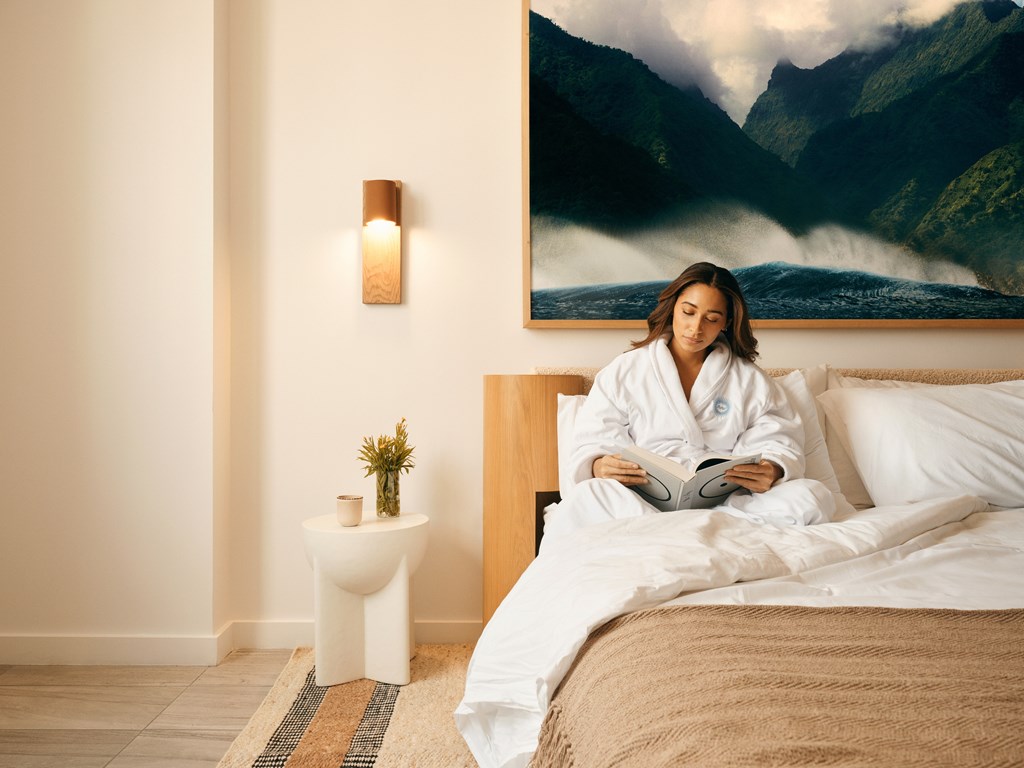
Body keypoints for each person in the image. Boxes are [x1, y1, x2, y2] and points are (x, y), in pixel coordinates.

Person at [545, 261, 826, 538]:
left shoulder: (750, 380)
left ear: (727, 323)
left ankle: (681, 534)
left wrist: (772, 468)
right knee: (589, 496)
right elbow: (593, 438)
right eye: (688, 312)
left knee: (811, 497)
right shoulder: (625, 370)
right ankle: (695, 534)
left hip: (725, 503)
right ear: (673, 308)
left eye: (712, 318)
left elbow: (778, 439)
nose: (696, 328)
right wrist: (598, 464)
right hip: (640, 502)